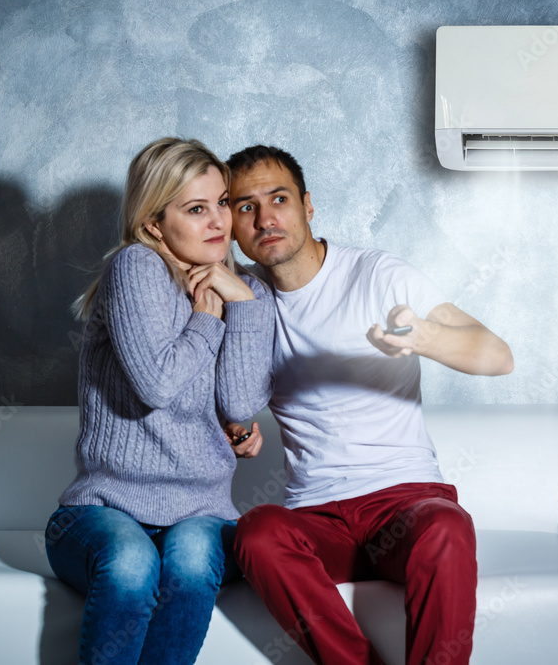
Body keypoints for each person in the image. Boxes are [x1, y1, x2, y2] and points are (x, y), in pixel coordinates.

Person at [226, 145, 514, 665]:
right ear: (231, 225)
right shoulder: (245, 305)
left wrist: (424, 337)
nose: (266, 218)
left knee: (448, 527)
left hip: (404, 502)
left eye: (279, 198)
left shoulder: (377, 274)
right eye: (246, 207)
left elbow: (497, 355)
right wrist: (235, 427)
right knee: (258, 533)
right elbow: (223, 396)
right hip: (317, 516)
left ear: (307, 206)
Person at [44, 138, 274, 665]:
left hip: (201, 511)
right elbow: (158, 386)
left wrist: (241, 303)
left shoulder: (248, 294)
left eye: (222, 202)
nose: (218, 220)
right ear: (153, 225)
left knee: (193, 559)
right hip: (105, 510)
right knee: (130, 564)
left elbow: (239, 402)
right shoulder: (136, 267)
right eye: (196, 209)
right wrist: (209, 316)